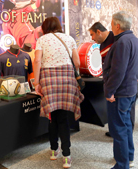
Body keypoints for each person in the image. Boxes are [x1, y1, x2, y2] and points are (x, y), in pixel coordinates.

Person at [33, 17, 84, 169]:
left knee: (52, 117)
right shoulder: (69, 38)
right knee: (63, 118)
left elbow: (37, 61)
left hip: (48, 78)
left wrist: (36, 83)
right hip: (67, 78)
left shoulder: (42, 40)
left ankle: (54, 150)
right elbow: (77, 62)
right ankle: (66, 156)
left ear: (45, 27)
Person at [103, 11, 138, 169]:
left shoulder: (121, 42)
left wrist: (109, 91)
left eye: (112, 24)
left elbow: (117, 71)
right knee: (126, 126)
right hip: (130, 90)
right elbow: (137, 66)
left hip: (120, 93)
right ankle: (129, 157)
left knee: (118, 129)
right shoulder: (134, 40)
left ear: (117, 25)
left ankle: (122, 164)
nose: (110, 27)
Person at [88, 22, 116, 137]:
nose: (92, 38)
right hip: (109, 81)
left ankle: (120, 133)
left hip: (116, 82)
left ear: (98, 32)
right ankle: (114, 130)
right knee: (112, 109)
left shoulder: (116, 40)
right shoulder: (102, 44)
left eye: (92, 35)